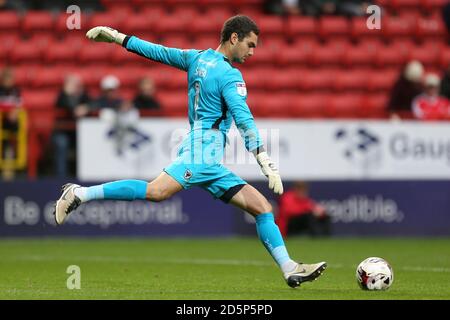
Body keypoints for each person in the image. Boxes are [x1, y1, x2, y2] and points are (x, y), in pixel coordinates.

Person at [53, 15, 327, 288]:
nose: (252, 52)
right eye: (250, 44)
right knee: (157, 192)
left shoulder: (195, 58)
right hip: (203, 151)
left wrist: (117, 37)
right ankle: (79, 193)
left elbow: (157, 51)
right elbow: (243, 117)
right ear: (234, 38)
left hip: (205, 153)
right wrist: (262, 156)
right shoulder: (230, 74)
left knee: (262, 208)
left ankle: (290, 268)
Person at [53, 74, 91, 177]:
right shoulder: (63, 96)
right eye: (73, 85)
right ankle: (61, 178)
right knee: (62, 143)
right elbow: (65, 105)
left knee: (90, 142)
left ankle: (85, 176)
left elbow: (94, 104)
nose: (76, 87)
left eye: (78, 85)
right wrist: (67, 95)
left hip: (79, 132)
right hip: (63, 132)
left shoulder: (84, 96)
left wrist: (86, 107)